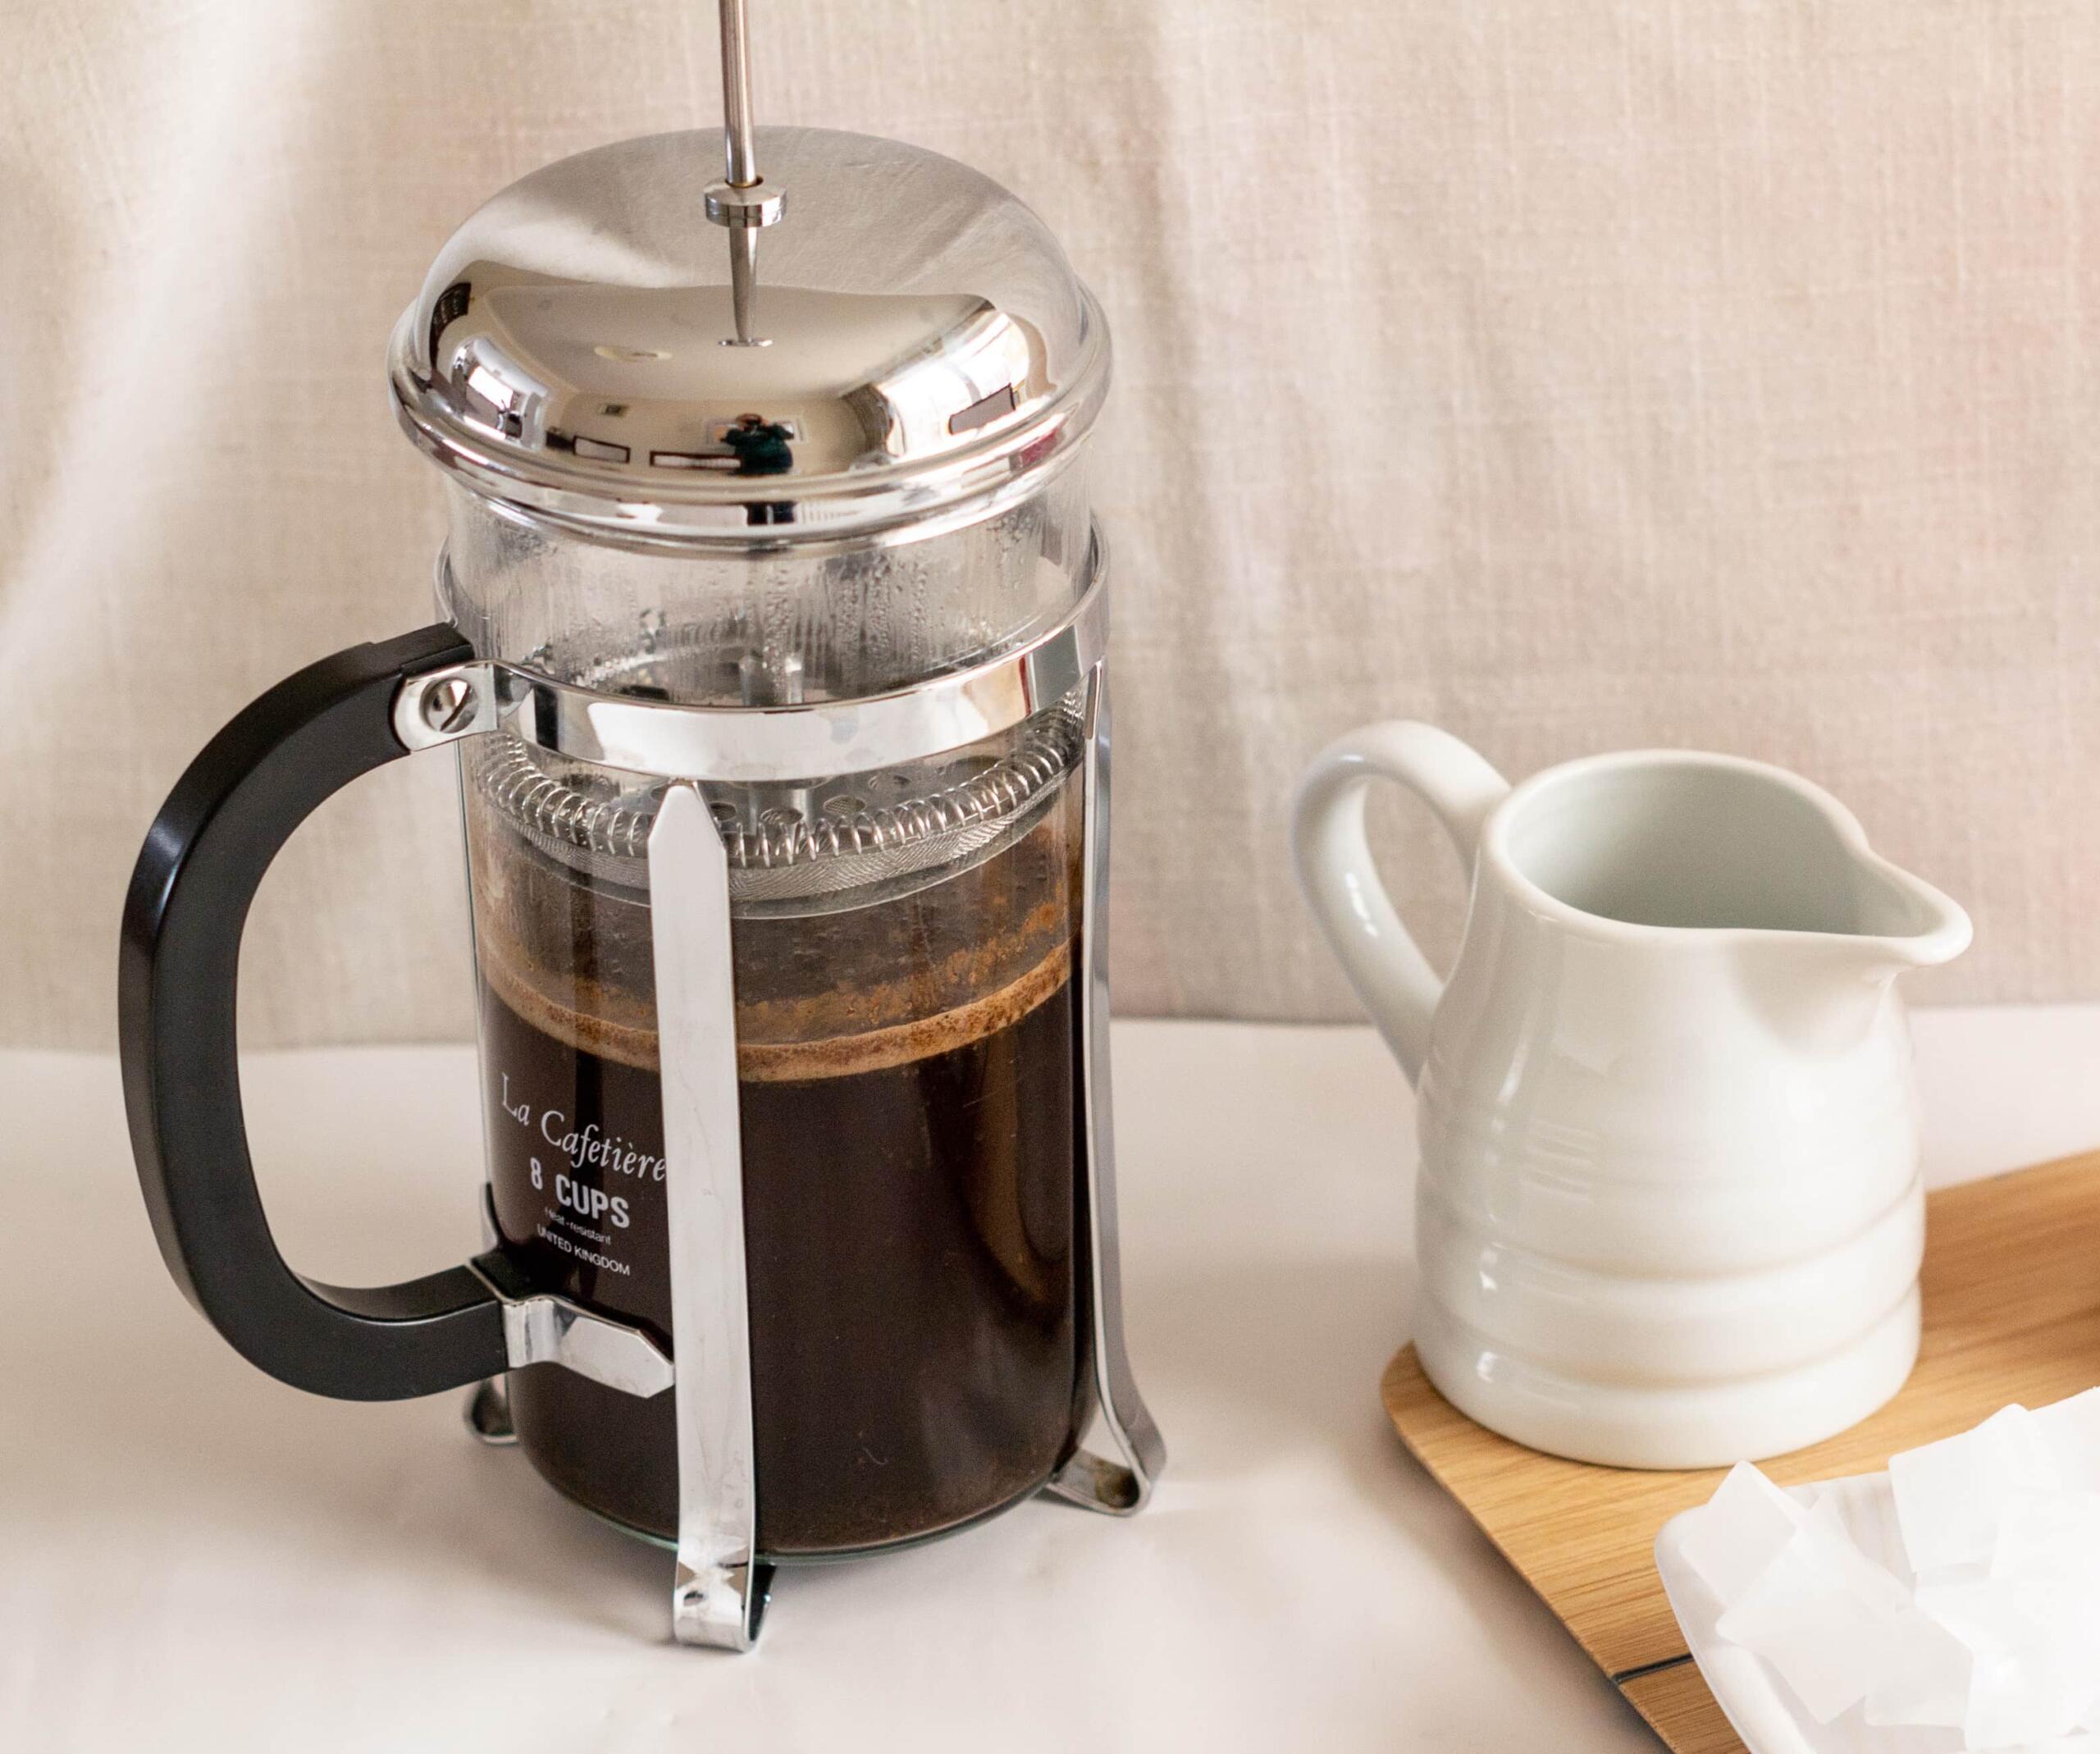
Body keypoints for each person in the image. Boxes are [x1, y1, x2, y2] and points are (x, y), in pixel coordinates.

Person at [720, 411, 795, 524]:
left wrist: (769, 425)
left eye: (754, 419)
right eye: (746, 420)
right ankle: (758, 535)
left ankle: (786, 530)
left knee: (782, 499)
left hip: (778, 464)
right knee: (755, 501)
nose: (751, 422)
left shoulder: (773, 429)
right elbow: (731, 439)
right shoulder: (736, 432)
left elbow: (789, 435)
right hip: (752, 467)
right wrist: (742, 428)